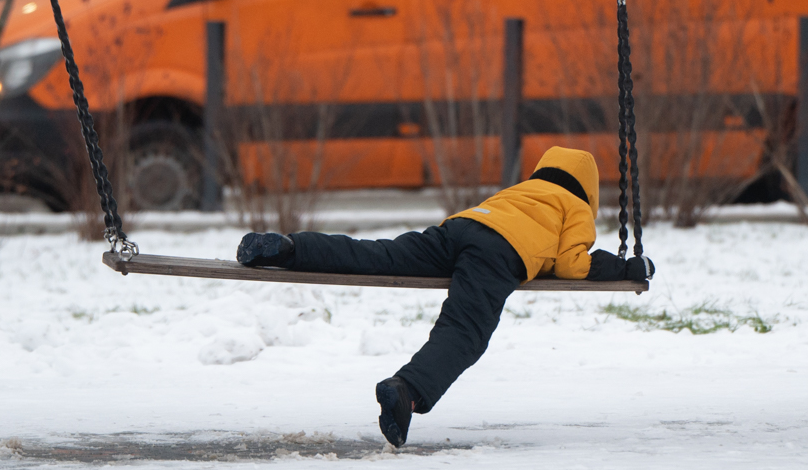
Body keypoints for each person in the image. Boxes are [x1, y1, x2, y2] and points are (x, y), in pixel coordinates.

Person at [235, 147, 654, 447]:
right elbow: (572, 264)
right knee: (465, 329)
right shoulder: (574, 205)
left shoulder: (520, 191)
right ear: (589, 188)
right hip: (498, 253)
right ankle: (406, 391)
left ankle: (290, 248)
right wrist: (628, 267)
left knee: (377, 255)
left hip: (459, 229)